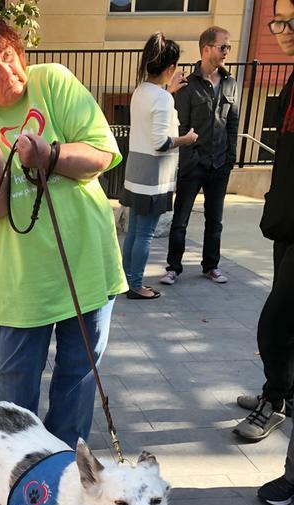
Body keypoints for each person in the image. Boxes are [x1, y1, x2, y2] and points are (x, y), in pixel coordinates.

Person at [0, 12, 126, 449]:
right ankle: (22, 486)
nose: (10, 73)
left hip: (86, 267)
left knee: (77, 390)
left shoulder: (54, 81)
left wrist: (51, 154)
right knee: (16, 408)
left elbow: (103, 153)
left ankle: (65, 478)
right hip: (21, 285)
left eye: (9, 56)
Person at [233, 0, 294, 449]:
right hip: (286, 220)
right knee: (285, 320)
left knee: (274, 322)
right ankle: (282, 390)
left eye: (292, 20)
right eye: (278, 21)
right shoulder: (292, 79)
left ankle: (275, 400)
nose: (282, 29)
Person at [121, 32, 198, 299]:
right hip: (153, 176)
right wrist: (186, 139)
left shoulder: (142, 90)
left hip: (136, 172)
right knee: (145, 234)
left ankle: (127, 280)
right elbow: (160, 143)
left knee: (134, 230)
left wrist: (170, 91)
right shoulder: (161, 98)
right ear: (169, 68)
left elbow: (154, 114)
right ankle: (136, 285)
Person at [161, 26, 239, 286]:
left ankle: (211, 266)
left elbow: (233, 124)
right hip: (194, 164)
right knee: (180, 219)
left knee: (214, 221)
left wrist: (230, 158)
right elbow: (181, 126)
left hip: (220, 164)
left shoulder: (231, 83)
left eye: (228, 46)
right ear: (206, 49)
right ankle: (173, 267)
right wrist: (190, 159)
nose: (227, 51)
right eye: (223, 46)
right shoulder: (187, 84)